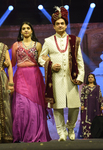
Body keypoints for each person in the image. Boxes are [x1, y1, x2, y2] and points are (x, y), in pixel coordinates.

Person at [38, 6, 85, 141]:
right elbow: (41, 58)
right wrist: (51, 65)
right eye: (57, 23)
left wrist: (80, 77)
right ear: (53, 26)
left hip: (71, 78)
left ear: (66, 25)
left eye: (62, 23)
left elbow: (80, 60)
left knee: (74, 106)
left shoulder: (74, 40)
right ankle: (61, 133)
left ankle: (70, 127)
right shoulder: (48, 41)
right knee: (57, 107)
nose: (60, 25)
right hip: (55, 79)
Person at [11, 21, 51, 143]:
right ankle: (21, 135)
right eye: (23, 28)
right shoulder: (16, 45)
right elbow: (12, 63)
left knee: (35, 105)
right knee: (21, 105)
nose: (26, 30)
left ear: (32, 30)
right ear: (21, 31)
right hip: (20, 76)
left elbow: (40, 62)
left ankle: (36, 133)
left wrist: (48, 61)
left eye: (28, 28)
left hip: (35, 76)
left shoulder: (38, 45)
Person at [79, 73, 103, 139]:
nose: (90, 78)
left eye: (92, 77)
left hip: (95, 106)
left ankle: (96, 134)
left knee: (95, 119)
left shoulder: (97, 87)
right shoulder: (84, 87)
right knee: (86, 119)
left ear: (94, 79)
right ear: (87, 79)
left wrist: (101, 105)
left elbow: (100, 97)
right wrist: (82, 105)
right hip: (87, 106)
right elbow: (82, 96)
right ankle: (86, 135)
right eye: (89, 77)